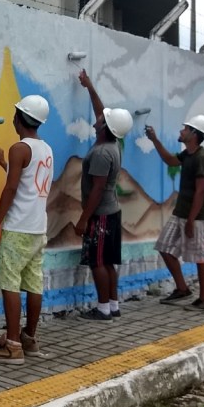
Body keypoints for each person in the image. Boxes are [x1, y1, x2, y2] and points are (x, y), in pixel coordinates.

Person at [0, 95, 54, 364]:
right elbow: (27, 180)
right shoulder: (45, 148)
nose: (12, 118)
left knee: (10, 283)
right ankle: (29, 339)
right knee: (34, 283)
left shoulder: (19, 148)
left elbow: (11, 188)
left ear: (20, 118)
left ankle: (12, 346)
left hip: (19, 227)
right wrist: (4, 163)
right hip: (37, 228)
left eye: (15, 114)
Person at [75, 70, 134, 322]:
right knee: (108, 261)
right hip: (111, 211)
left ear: (104, 127)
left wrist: (83, 219)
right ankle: (112, 305)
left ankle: (102, 309)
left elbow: (97, 189)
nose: (97, 119)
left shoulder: (101, 153)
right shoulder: (113, 144)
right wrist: (89, 87)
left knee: (97, 261)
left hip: (100, 214)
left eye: (101, 120)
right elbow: (102, 112)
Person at [144, 116, 204, 311]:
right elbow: (170, 160)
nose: (181, 131)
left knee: (201, 256)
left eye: (185, 129)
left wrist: (191, 220)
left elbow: (201, 191)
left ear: (194, 134)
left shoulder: (202, 159)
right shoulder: (188, 155)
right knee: (164, 247)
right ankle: (182, 289)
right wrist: (154, 140)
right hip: (181, 212)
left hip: (197, 217)